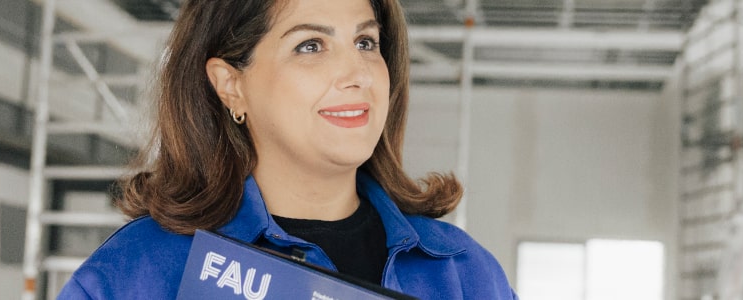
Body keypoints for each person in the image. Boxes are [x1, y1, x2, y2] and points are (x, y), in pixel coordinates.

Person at [57, 0, 516, 298]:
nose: (357, 73)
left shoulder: (463, 272)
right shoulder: (140, 270)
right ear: (230, 85)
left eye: (365, 41)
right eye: (311, 45)